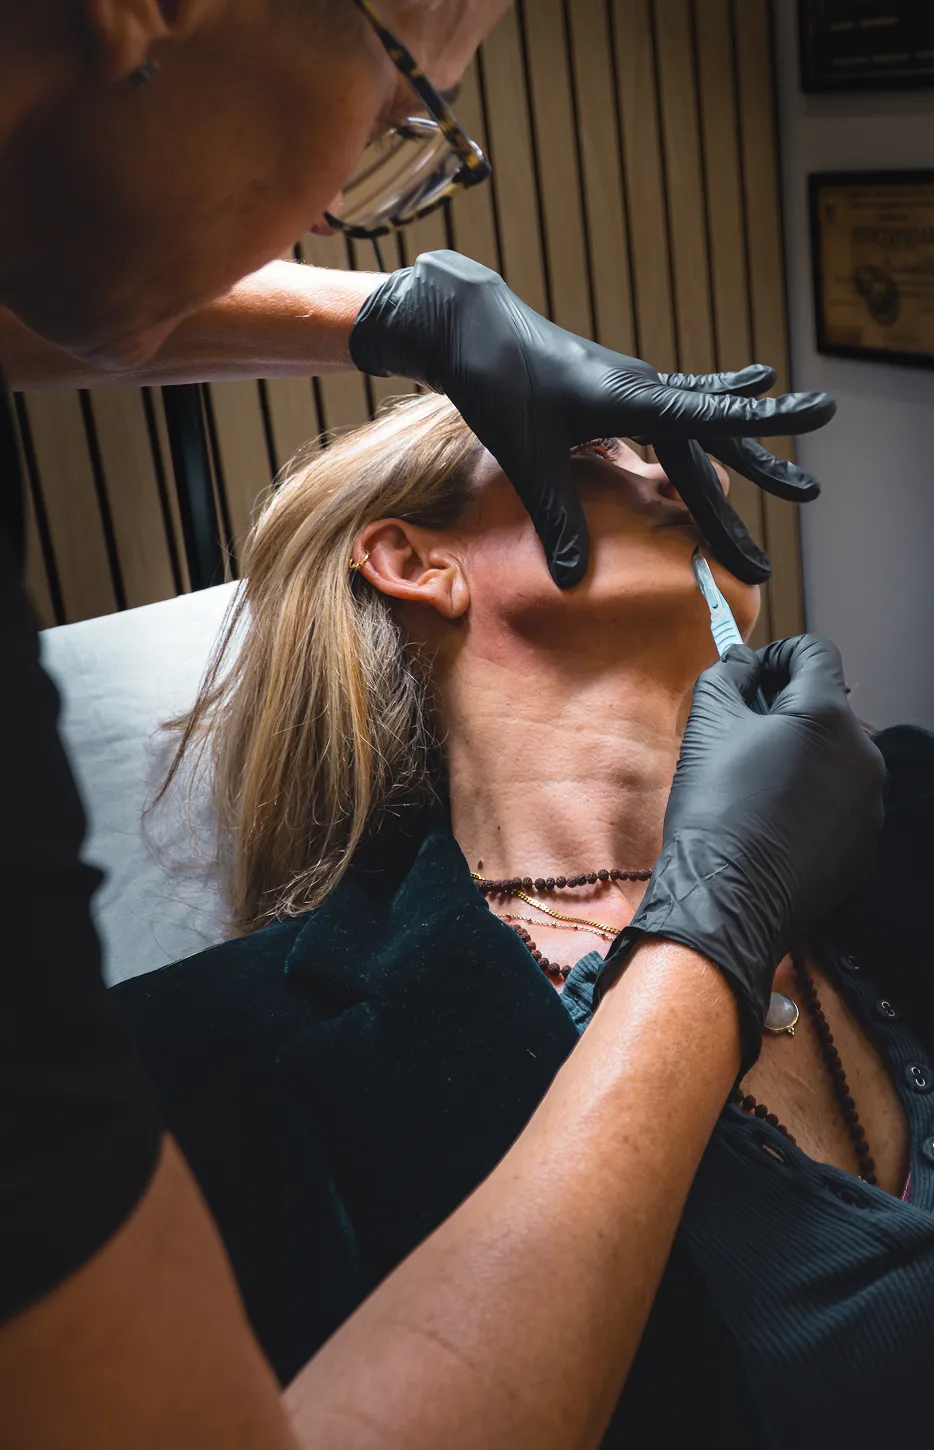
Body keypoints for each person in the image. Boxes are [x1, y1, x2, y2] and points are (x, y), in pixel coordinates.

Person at [0, 3, 884, 1447]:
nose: (657, 451)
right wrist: (715, 928)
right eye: (408, 106)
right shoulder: (216, 1053)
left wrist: (382, 312)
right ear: (413, 560)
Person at [115, 394, 934, 1449]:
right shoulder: (231, 1050)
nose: (682, 469)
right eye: (593, 447)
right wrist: (726, 903)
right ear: (413, 558)